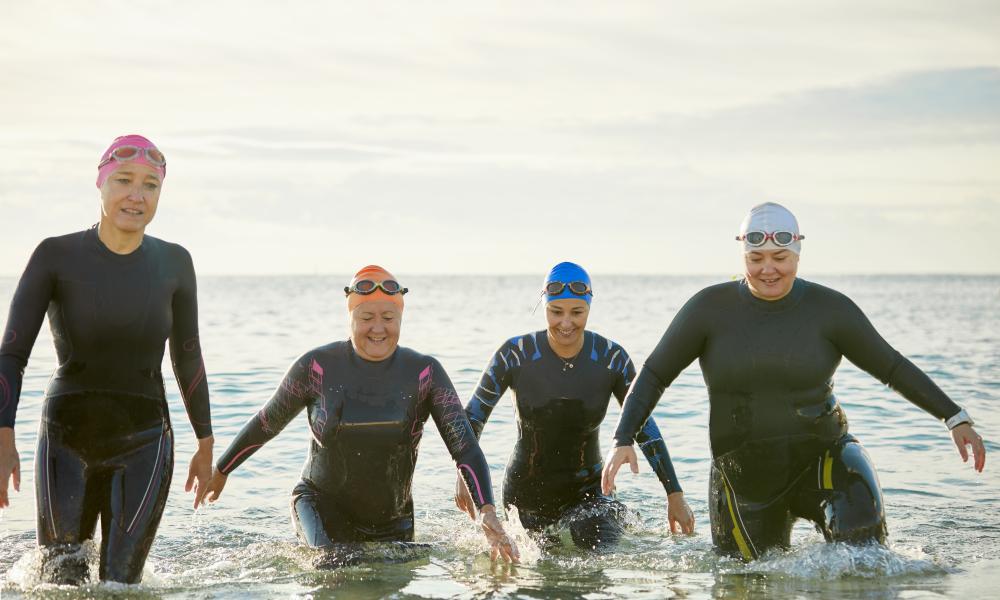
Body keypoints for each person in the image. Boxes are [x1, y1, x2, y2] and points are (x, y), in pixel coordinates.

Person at [602, 202, 987, 560]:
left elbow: (892, 367)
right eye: (756, 259)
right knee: (747, 582)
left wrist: (953, 417)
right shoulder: (708, 310)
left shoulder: (830, 310)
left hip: (824, 458)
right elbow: (654, 374)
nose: (768, 269)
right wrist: (623, 438)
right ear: (743, 257)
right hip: (743, 477)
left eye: (780, 258)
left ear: (798, 253)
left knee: (864, 559)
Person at [0, 135, 215, 583]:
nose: (136, 195)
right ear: (100, 183)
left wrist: (205, 442)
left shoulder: (175, 263)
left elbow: (188, 357)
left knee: (121, 584)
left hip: (145, 441)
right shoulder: (55, 255)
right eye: (123, 180)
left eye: (150, 185)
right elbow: (12, 354)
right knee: (59, 580)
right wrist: (3, 438)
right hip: (64, 439)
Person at [202, 266, 518, 563]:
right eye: (367, 317)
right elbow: (267, 422)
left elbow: (463, 445)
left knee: (392, 582)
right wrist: (222, 468)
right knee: (333, 566)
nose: (378, 328)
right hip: (320, 507)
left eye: (388, 318)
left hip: (393, 520)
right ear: (351, 316)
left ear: (400, 319)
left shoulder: (424, 372)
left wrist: (487, 511)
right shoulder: (316, 368)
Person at [455, 262, 693, 549]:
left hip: (589, 493)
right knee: (538, 578)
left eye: (577, 312)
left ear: (589, 308)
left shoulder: (611, 358)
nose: (566, 323)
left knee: (597, 561)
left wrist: (674, 494)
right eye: (556, 312)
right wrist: (464, 477)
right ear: (543, 306)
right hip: (526, 497)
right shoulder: (515, 355)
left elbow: (643, 423)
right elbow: (472, 420)